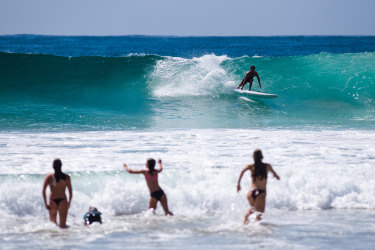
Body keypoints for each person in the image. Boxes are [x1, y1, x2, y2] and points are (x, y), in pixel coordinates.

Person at [237, 149, 279, 224]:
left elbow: (242, 171)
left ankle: (245, 223)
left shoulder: (251, 166)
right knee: (258, 216)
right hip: (261, 193)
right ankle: (259, 233)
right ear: (262, 157)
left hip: (251, 193)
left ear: (253, 157)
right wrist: (276, 176)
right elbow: (276, 176)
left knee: (252, 210)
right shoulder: (267, 166)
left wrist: (238, 184)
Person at [42, 158, 73, 228]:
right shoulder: (66, 177)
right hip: (63, 201)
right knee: (63, 226)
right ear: (61, 166)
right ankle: (63, 238)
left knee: (53, 226)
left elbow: (43, 191)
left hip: (52, 201)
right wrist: (69, 203)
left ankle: (54, 238)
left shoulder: (49, 177)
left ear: (53, 167)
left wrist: (46, 203)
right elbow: (70, 192)